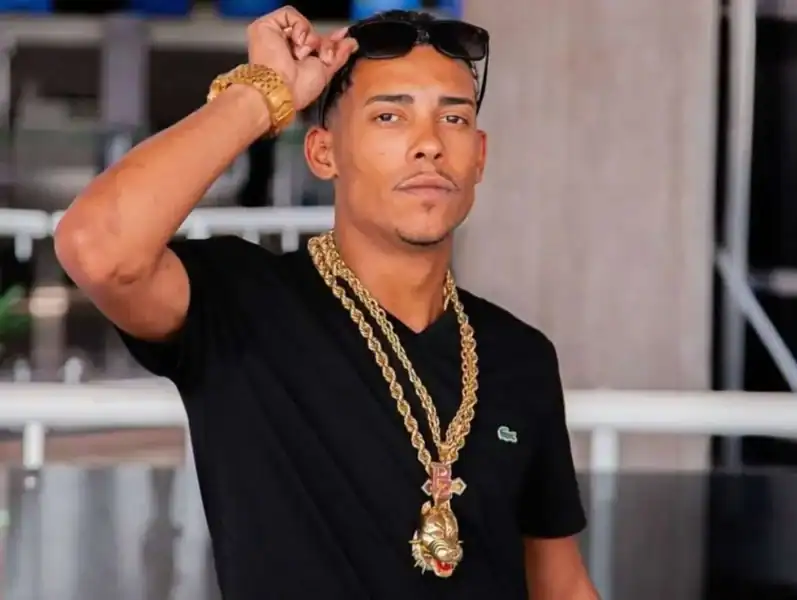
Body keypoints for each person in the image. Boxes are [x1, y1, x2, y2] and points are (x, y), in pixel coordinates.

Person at [54, 7, 598, 600]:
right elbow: (97, 247)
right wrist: (263, 93)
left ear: (480, 156)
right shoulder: (245, 305)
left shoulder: (519, 355)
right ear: (323, 153)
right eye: (389, 116)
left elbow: (561, 586)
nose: (429, 145)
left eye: (454, 118)